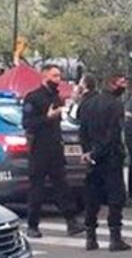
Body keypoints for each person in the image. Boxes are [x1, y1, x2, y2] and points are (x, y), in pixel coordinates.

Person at [22, 64, 86, 239]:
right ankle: (32, 225)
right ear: (45, 76)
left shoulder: (56, 97)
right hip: (39, 149)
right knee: (37, 189)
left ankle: (71, 221)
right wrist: (47, 117)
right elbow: (27, 123)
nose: (58, 79)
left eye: (59, 76)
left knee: (62, 186)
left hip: (55, 148)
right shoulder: (33, 97)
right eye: (55, 76)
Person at [78, 75, 132, 252]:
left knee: (92, 197)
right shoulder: (115, 105)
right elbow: (113, 133)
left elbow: (82, 130)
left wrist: (87, 152)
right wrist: (99, 151)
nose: (124, 87)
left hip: (93, 158)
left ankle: (90, 237)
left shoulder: (87, 103)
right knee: (116, 198)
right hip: (110, 156)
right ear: (112, 84)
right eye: (122, 83)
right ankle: (115, 237)